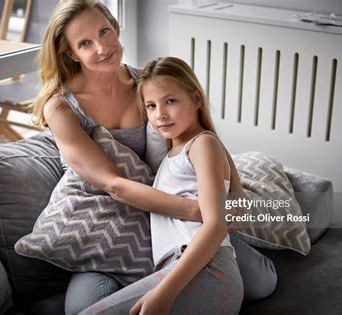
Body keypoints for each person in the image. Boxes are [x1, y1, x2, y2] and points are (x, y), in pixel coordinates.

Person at [30, 1, 276, 314]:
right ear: (69, 53)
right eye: (85, 43)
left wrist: (235, 197)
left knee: (259, 284)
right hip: (111, 220)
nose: (103, 47)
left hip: (168, 215)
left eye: (105, 31)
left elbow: (200, 133)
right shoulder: (61, 107)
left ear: (116, 27)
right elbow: (114, 185)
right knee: (82, 307)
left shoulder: (145, 84)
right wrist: (197, 211)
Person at [78, 56, 271, 314]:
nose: (161, 115)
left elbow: (216, 224)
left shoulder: (202, 144)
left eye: (170, 101)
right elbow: (236, 203)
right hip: (183, 268)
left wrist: (164, 292)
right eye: (151, 106)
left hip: (205, 270)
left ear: (196, 99)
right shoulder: (175, 154)